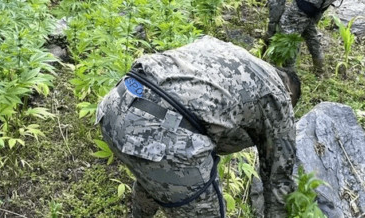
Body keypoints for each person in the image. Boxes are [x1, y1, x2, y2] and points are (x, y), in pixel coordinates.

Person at [97, 36, 301, 218]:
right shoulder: (278, 95)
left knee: (154, 168)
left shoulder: (223, 50)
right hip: (165, 130)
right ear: (289, 95)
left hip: (116, 104)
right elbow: (279, 180)